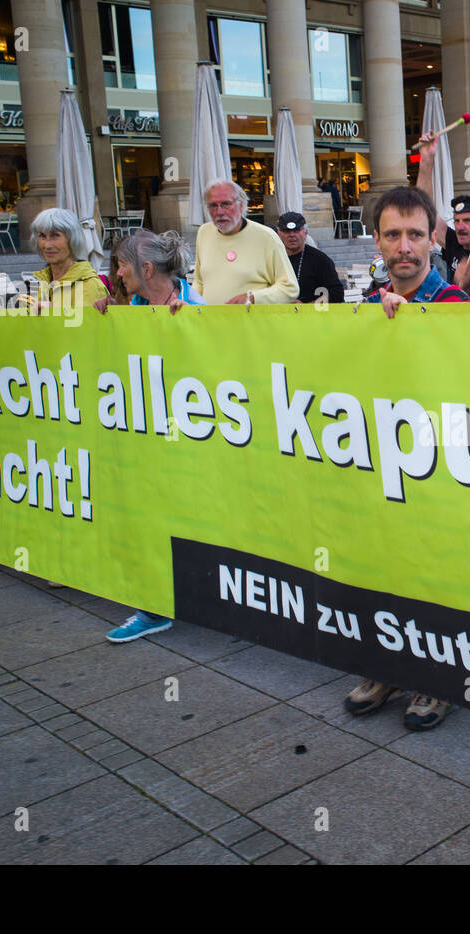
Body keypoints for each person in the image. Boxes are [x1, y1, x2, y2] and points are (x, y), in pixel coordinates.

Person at [347, 187, 466, 729]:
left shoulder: (455, 305)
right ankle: (386, 665)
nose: (404, 247)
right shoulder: (367, 308)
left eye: (415, 234)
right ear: (376, 241)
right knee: (381, 562)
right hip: (380, 464)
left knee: (435, 572)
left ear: (433, 238)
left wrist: (411, 318)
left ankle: (436, 680)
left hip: (437, 468)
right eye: (392, 235)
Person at [96, 230, 203, 642]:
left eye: (121, 265)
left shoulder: (193, 306)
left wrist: (192, 325)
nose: (117, 274)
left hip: (187, 437)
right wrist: (110, 316)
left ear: (145, 268)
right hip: (146, 434)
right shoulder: (134, 306)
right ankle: (154, 604)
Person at [415, 132, 470, 279]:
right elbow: (424, 208)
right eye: (457, 221)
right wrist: (426, 160)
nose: (460, 227)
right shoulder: (454, 244)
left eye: (467, 220)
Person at [193, 178, 298, 306]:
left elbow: (290, 288)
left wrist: (253, 298)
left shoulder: (266, 236)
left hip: (252, 324)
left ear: (241, 205)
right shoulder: (204, 232)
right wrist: (188, 303)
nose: (219, 212)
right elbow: (199, 281)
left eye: (226, 204)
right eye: (213, 205)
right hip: (211, 323)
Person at [30, 208, 106, 316]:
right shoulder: (44, 282)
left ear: (72, 239)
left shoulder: (89, 284)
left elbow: (88, 328)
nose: (47, 245)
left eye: (55, 235)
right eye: (42, 236)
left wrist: (56, 310)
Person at [274, 211, 345, 304]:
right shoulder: (273, 258)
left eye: (296, 231)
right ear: (279, 234)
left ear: (305, 232)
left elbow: (337, 294)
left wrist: (308, 306)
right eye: (286, 231)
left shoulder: (320, 260)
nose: (292, 235)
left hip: (312, 316)